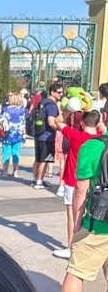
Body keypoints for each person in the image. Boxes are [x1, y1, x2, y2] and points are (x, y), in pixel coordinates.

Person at [50, 115, 108, 292]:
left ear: (105, 117)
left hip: (97, 224)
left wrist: (77, 223)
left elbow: (81, 190)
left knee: (76, 272)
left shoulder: (93, 146)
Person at [51, 109, 102, 260]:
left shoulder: (75, 135)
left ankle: (71, 247)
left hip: (73, 180)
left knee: (72, 215)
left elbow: (57, 121)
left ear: (82, 122)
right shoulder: (101, 139)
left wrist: (69, 110)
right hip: (92, 182)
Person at [32, 82, 64, 189]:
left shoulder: (43, 102)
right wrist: (61, 129)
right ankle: (39, 182)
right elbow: (51, 122)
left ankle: (35, 179)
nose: (61, 94)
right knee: (45, 159)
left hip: (39, 134)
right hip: (47, 136)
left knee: (38, 159)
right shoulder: (52, 105)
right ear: (52, 92)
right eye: (59, 92)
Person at [0, 93, 26, 178]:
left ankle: (5, 172)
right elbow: (23, 123)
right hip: (18, 134)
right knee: (16, 153)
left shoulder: (6, 110)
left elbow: (1, 121)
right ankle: (15, 172)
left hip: (7, 134)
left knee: (6, 153)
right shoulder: (22, 111)